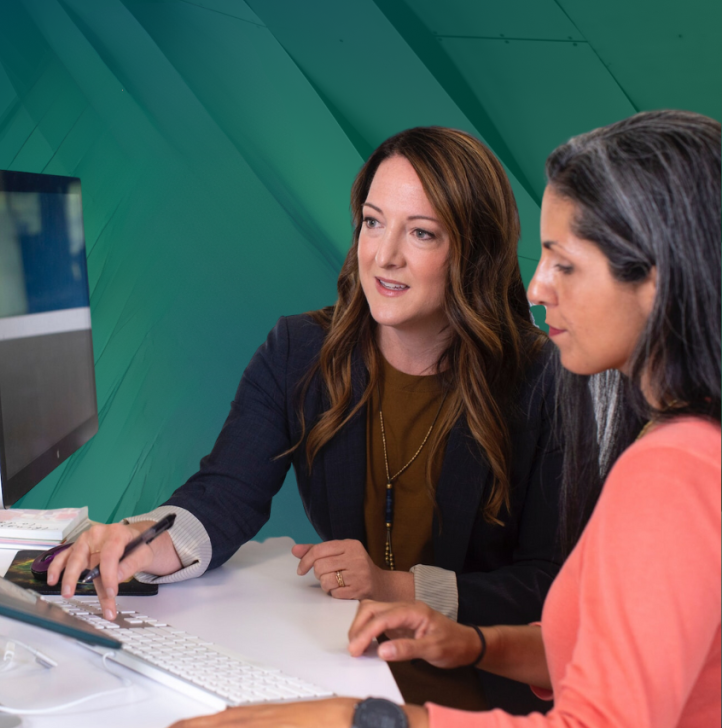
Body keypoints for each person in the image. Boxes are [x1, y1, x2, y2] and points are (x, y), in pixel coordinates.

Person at [169, 110, 721, 728]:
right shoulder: (685, 447)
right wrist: (472, 642)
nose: (537, 287)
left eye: (564, 263)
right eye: (372, 224)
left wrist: (356, 719)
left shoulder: (671, 468)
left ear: (657, 280)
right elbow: (601, 650)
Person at [50, 126, 564, 711]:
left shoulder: (543, 382)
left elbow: (549, 585)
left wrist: (397, 587)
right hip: (345, 668)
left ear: (474, 253)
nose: (384, 255)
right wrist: (145, 543)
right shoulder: (299, 351)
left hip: (483, 695)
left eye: (421, 233)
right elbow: (226, 491)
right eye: (373, 222)